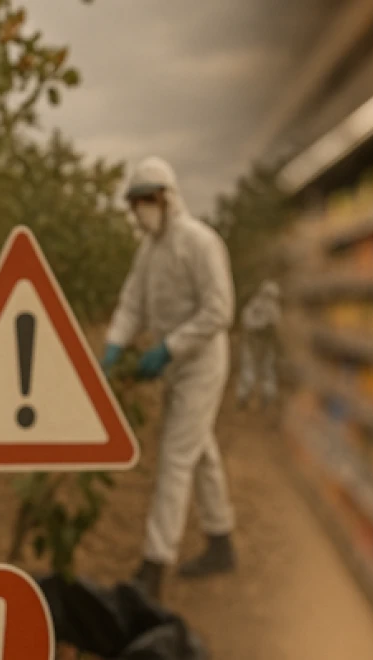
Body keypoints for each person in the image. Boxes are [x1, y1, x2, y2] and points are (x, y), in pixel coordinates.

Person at [99, 156, 237, 601]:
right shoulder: (150, 251)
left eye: (143, 201)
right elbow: (131, 303)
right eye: (133, 203)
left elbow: (220, 310)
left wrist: (169, 348)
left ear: (164, 197)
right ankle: (221, 542)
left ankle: (154, 565)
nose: (139, 211)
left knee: (176, 457)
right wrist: (115, 346)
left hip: (201, 363)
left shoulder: (200, 242)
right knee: (200, 453)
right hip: (174, 365)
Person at [235, 280, 282, 413]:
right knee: (248, 369)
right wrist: (260, 326)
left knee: (267, 371)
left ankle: (267, 397)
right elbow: (247, 321)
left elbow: (276, 327)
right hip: (252, 344)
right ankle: (243, 396)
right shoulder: (255, 306)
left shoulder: (274, 310)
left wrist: (269, 328)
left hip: (266, 346)